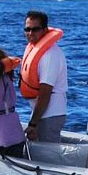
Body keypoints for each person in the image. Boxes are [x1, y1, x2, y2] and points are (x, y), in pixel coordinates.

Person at [19, 10, 67, 143]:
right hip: (41, 114)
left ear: (45, 30)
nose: (30, 33)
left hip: (50, 115)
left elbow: (45, 92)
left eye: (35, 29)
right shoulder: (34, 49)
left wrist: (33, 123)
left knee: (50, 156)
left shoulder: (49, 55)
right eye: (27, 29)